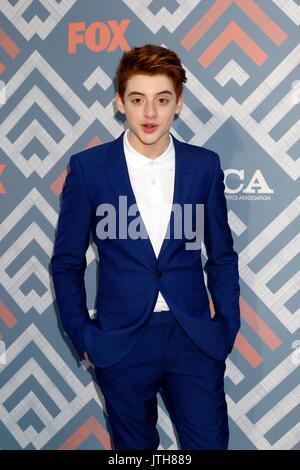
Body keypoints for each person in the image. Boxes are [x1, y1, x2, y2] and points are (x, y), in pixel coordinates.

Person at [50, 44, 241, 450]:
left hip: (192, 337)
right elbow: (66, 262)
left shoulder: (204, 166)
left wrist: (225, 326)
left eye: (162, 100)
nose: (150, 114)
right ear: (120, 102)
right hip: (120, 341)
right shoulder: (88, 169)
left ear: (179, 103)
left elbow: (222, 256)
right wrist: (83, 336)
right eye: (138, 100)